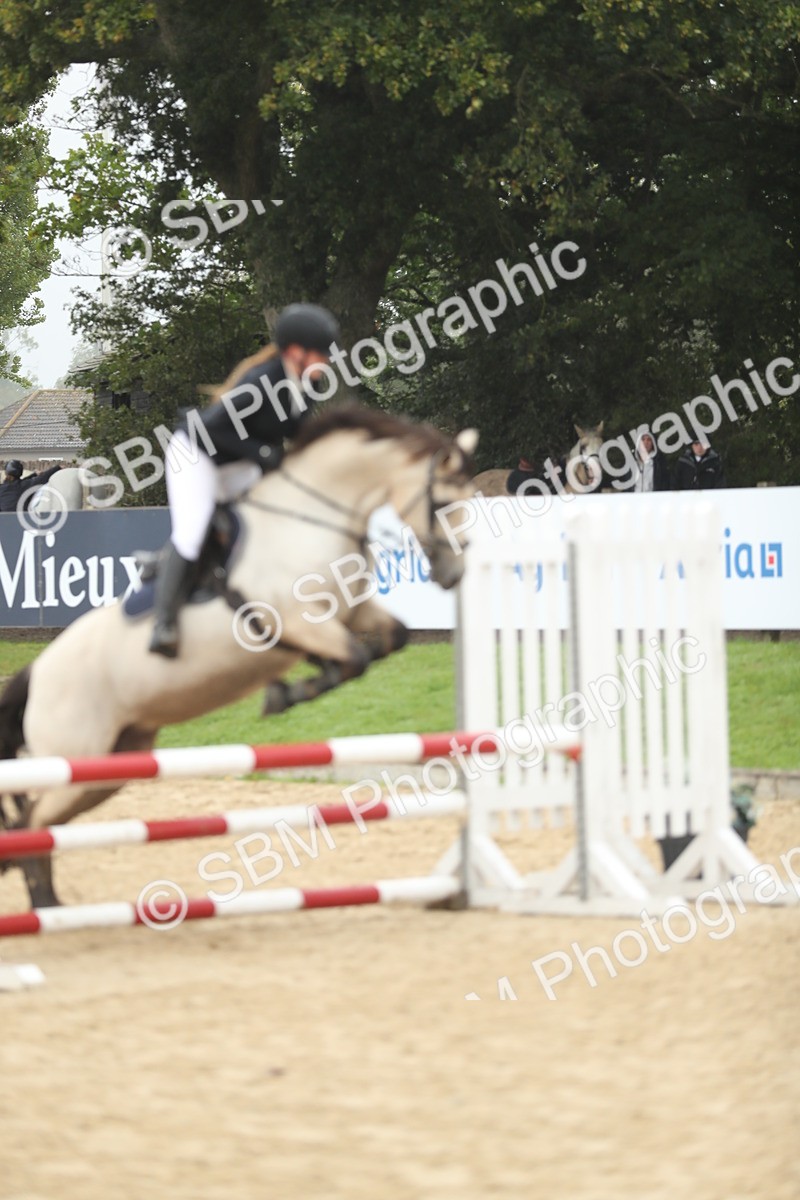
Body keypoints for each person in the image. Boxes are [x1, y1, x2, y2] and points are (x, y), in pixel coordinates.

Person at [149, 302, 341, 658]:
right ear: (296, 353)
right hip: (196, 454)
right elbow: (214, 431)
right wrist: (268, 457)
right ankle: (164, 625)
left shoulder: (305, 385)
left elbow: (298, 433)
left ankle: (159, 563)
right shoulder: (261, 382)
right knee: (193, 532)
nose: (327, 362)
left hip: (238, 462)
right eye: (321, 355)